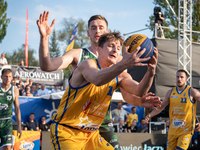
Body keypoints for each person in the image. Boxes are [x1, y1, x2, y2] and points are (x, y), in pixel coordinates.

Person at [37, 11, 159, 149]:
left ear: (107, 31)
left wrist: (151, 72)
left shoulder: (119, 62)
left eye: (101, 27)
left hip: (98, 124)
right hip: (70, 126)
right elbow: (48, 66)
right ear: (88, 32)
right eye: (93, 28)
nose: (97, 30)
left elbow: (134, 92)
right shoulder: (82, 58)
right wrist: (44, 38)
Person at [145, 69, 200, 150]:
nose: (179, 79)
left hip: (186, 129)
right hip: (173, 130)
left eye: (182, 77)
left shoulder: (192, 92)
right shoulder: (170, 92)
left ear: (186, 79)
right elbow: (160, 108)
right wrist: (149, 115)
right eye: (177, 77)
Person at [0, 69, 22, 150]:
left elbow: (17, 109)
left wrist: (19, 126)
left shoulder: (15, 90)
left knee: (8, 147)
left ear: (12, 77)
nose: (8, 79)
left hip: (7, 123)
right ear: (1, 77)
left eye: (9, 77)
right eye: (6, 76)